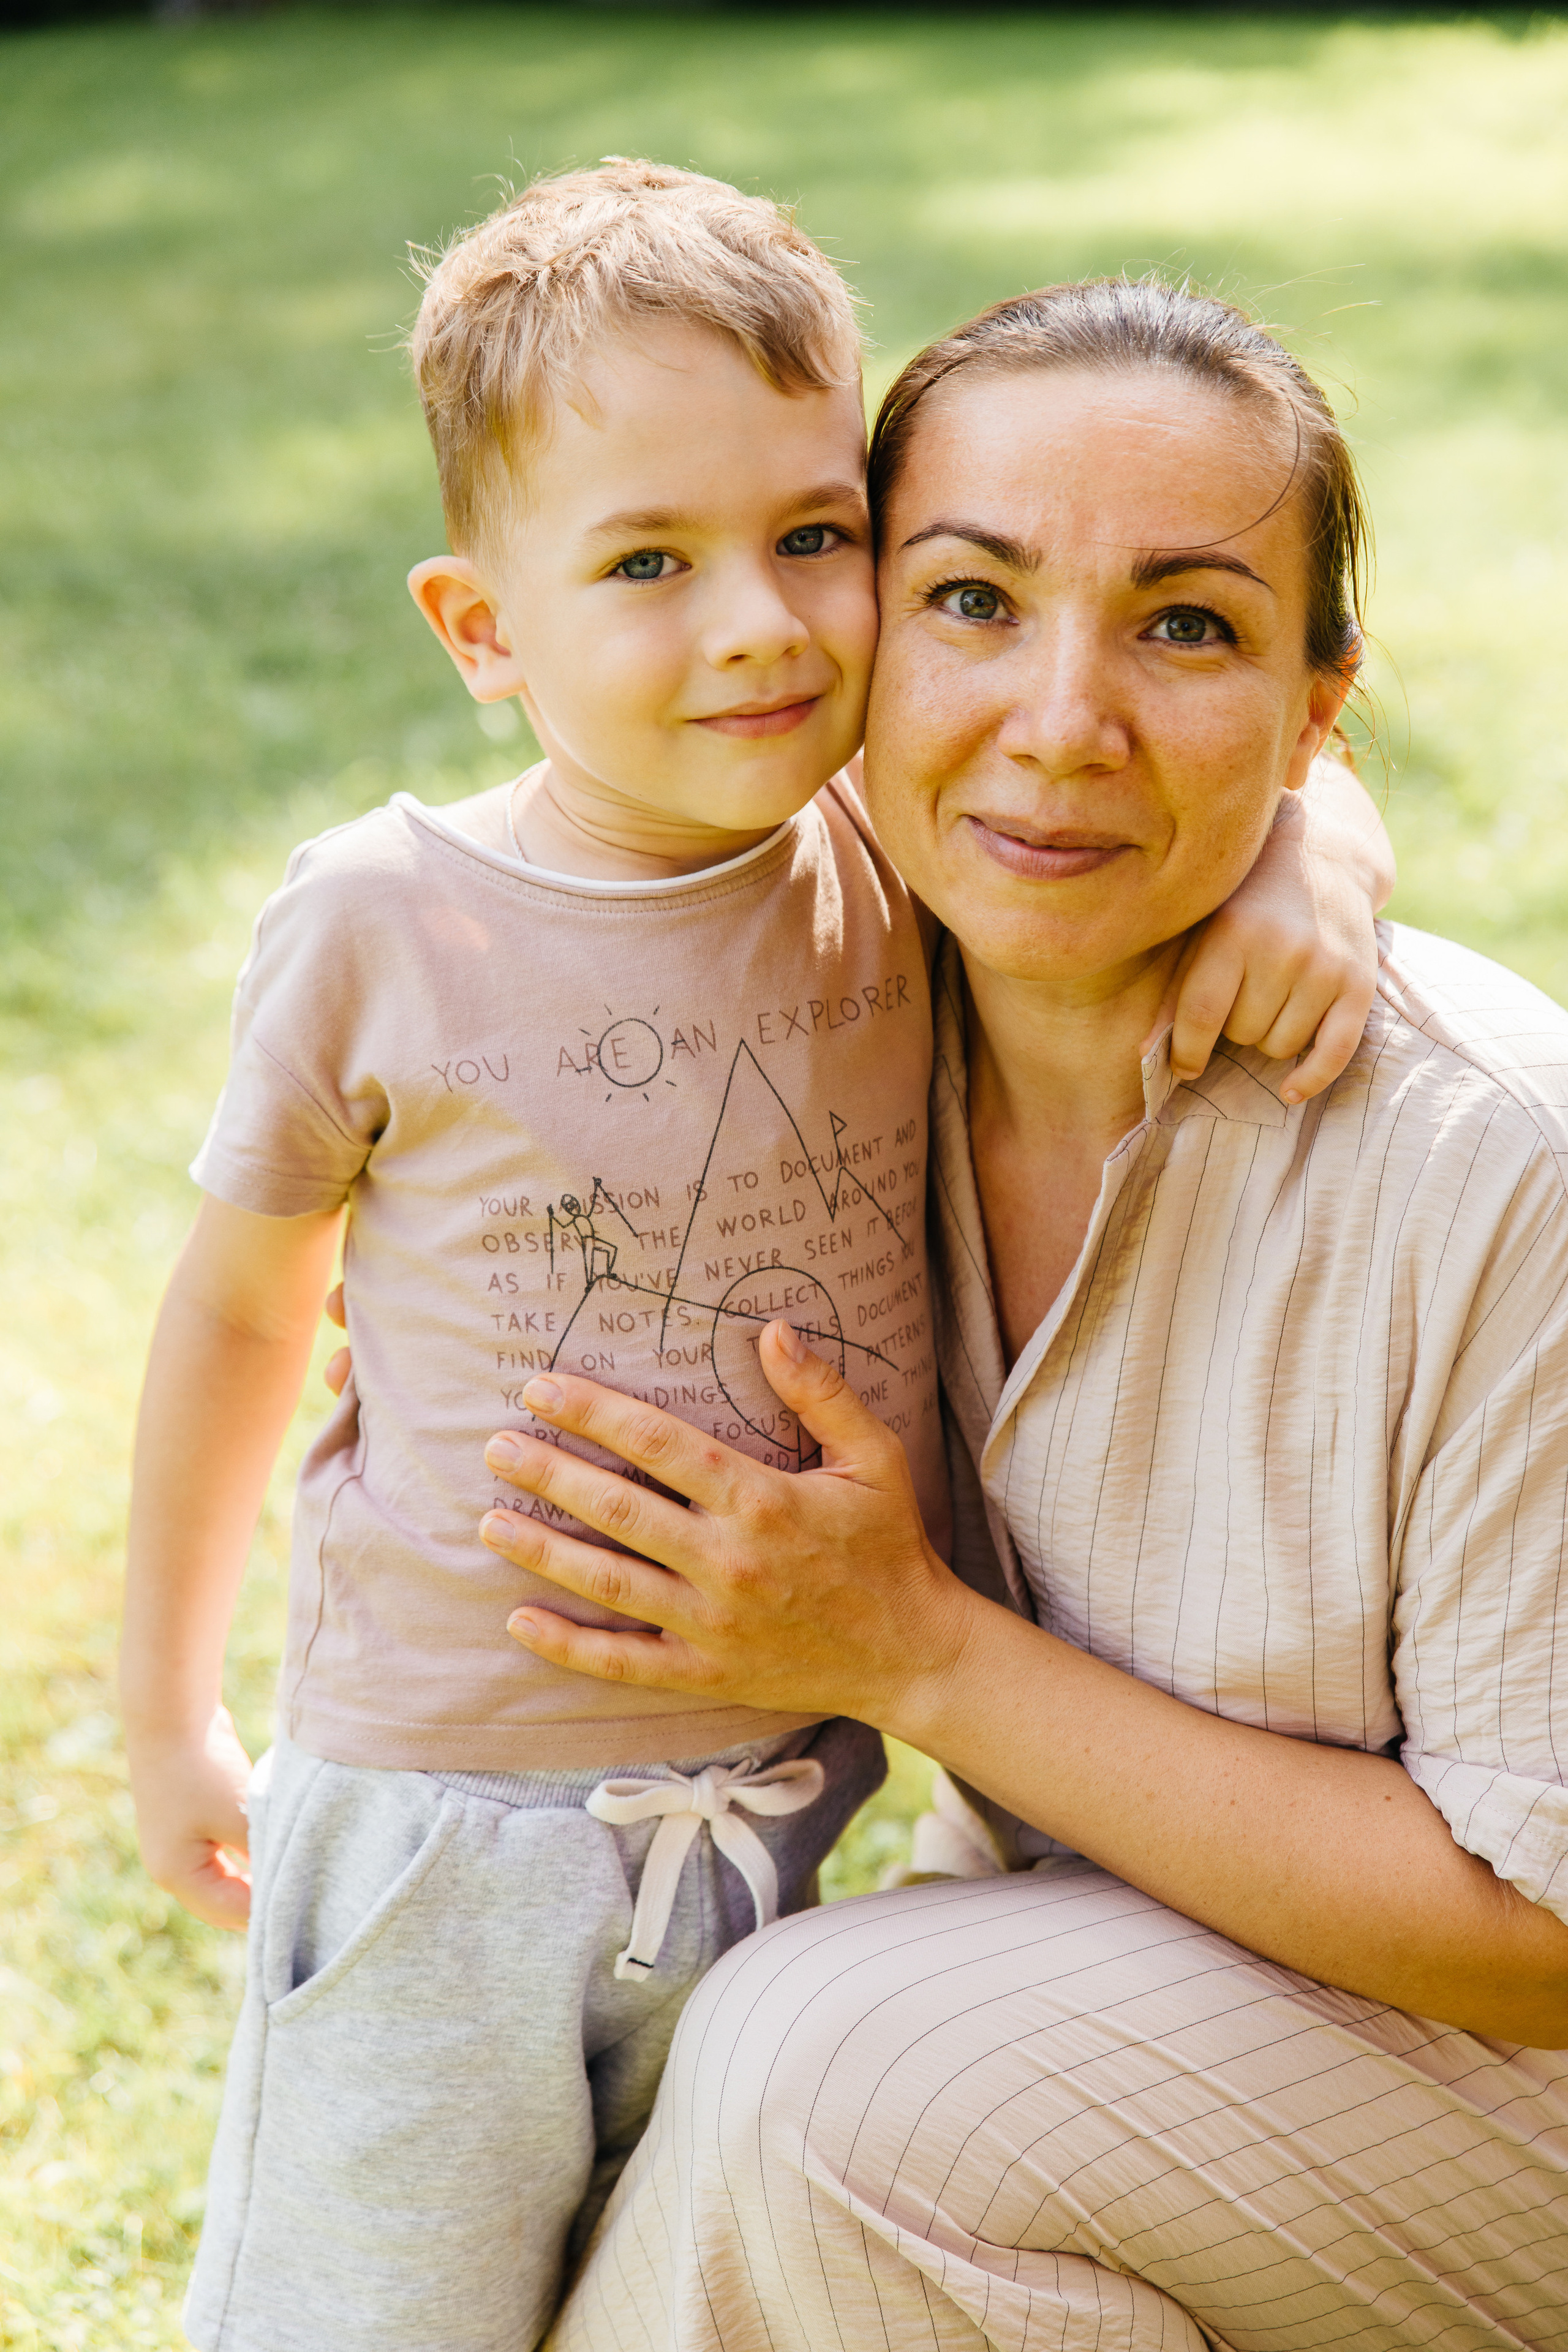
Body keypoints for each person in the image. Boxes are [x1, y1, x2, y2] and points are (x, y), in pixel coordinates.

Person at [120, 173, 1384, 2351]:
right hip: (454, 1821)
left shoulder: (899, 853)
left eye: (816, 537)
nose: (761, 631)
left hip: (796, 1800)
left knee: (678, 2291)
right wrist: (163, 1716)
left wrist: (1311, 873)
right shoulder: (382, 922)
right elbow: (239, 1308)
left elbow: (1254, 752)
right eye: (646, 565)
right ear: (478, 627)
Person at [476, 281, 1568, 2351]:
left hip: (1515, 2084)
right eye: (971, 600)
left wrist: (914, 1650)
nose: (1064, 725)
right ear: (851, 642)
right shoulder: (793, 1025)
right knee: (701, 2134)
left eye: (1188, 627)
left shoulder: (1502, 1164)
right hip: (1146, 1991)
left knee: (836, 2078)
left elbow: (1543, 1931)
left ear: (1317, 707)